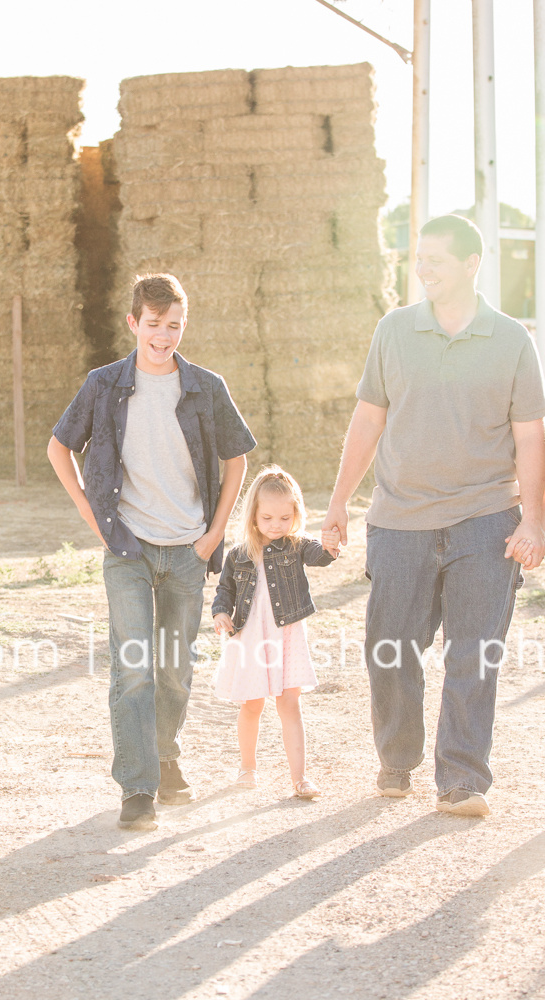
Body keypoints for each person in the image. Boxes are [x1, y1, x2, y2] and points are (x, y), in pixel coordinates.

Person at [322, 214, 545, 818]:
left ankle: (462, 779)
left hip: (485, 517)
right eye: (419, 259)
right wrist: (340, 500)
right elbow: (369, 419)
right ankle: (397, 761)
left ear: (473, 265)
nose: (422, 270)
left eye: (435, 261)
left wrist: (535, 521)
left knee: (475, 653)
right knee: (390, 647)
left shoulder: (511, 340)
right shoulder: (393, 331)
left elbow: (530, 437)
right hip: (399, 519)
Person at [48, 273, 256, 830]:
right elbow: (59, 446)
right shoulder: (104, 384)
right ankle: (137, 787)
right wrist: (92, 515)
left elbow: (237, 460)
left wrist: (215, 534)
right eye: (154, 325)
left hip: (188, 549)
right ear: (133, 322)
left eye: (174, 326)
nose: (163, 337)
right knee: (134, 669)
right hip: (129, 549)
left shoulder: (206, 387)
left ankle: (166, 758)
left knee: (175, 672)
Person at [212, 466, 338, 797]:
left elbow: (320, 554)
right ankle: (247, 768)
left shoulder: (297, 546)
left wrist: (330, 544)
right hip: (250, 637)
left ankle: (300, 778)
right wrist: (222, 612)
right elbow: (224, 591)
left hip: (286, 636)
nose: (276, 525)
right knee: (252, 704)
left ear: (295, 514)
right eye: (267, 518)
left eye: (284, 518)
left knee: (289, 704)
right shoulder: (239, 555)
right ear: (254, 515)